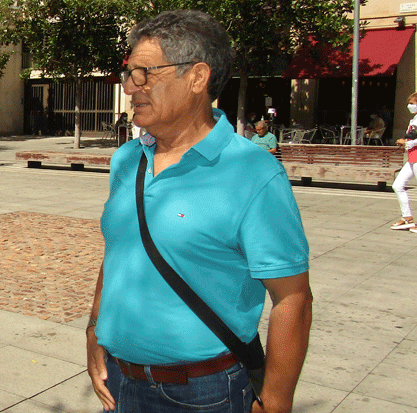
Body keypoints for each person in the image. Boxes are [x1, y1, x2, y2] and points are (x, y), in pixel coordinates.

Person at [87, 10, 312, 413]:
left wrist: (276, 401)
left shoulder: (253, 172)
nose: (130, 87)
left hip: (205, 393)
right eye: (129, 74)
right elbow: (120, 251)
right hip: (118, 382)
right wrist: (94, 328)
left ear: (197, 77)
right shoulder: (126, 160)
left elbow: (292, 298)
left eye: (144, 74)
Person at [391, 93, 417, 230]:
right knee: (398, 185)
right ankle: (407, 217)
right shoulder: (414, 119)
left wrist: (406, 142)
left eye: (412, 103)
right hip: (412, 157)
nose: (409, 106)